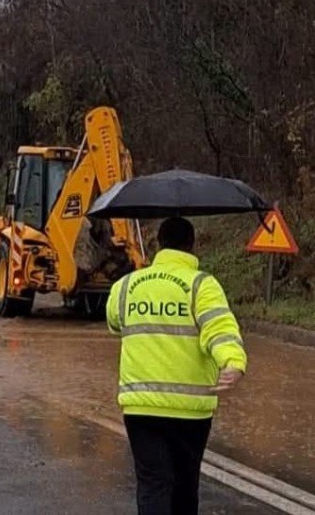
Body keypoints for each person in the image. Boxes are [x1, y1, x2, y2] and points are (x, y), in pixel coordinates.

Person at [106, 217, 247, 515]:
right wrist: (232, 362)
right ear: (191, 246)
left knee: (153, 485)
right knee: (185, 486)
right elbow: (219, 328)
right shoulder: (201, 285)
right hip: (190, 409)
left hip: (141, 407)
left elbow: (114, 322)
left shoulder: (126, 285)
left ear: (158, 244)